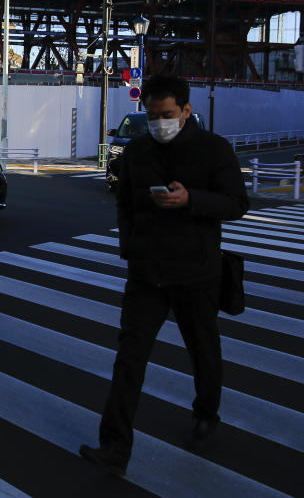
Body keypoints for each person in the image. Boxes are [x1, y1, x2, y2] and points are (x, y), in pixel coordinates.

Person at [79, 74, 249, 476]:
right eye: (152, 115)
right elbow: (124, 204)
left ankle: (207, 412)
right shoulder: (137, 153)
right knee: (129, 358)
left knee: (203, 350)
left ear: (187, 111)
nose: (158, 122)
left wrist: (192, 199)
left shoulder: (214, 150)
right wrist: (130, 247)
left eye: (166, 114)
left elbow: (237, 202)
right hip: (146, 273)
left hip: (197, 271)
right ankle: (114, 446)